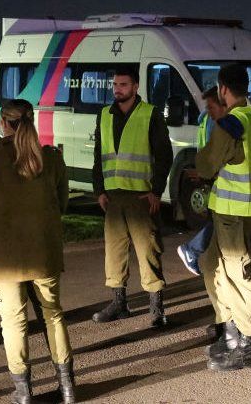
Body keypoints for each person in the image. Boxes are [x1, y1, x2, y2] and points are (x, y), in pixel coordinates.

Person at [0, 99, 76, 404]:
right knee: (53, 315)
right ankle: (68, 389)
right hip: (43, 253)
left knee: (13, 322)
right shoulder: (52, 159)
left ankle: (23, 393)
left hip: (4, 259)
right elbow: (62, 202)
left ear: (3, 123)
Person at [196, 64, 251, 371]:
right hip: (241, 211)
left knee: (240, 275)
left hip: (234, 214)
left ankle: (247, 343)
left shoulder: (231, 124)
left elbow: (205, 165)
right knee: (211, 265)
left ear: (223, 89)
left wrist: (209, 141)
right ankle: (230, 332)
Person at [91, 66, 173, 327]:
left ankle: (156, 309)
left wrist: (156, 191)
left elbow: (164, 155)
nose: (118, 89)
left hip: (141, 197)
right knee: (114, 253)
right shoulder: (104, 114)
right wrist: (100, 190)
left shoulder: (150, 114)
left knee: (148, 250)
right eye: (115, 84)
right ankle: (119, 303)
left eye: (124, 84)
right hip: (113, 197)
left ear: (136, 87)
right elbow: (98, 155)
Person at [177, 86, 225, 276]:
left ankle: (196, 251)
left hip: (211, 174)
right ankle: (193, 249)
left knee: (218, 219)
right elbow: (215, 150)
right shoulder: (216, 121)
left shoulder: (206, 118)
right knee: (219, 219)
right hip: (216, 175)